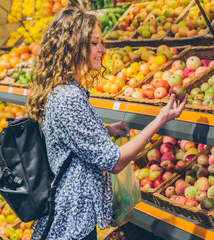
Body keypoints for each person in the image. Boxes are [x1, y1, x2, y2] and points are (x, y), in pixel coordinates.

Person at [25, 7, 187, 240]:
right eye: (94, 43)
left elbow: (70, 135)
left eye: (101, 42)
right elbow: (115, 162)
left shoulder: (64, 90)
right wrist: (159, 120)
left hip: (70, 215)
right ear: (73, 46)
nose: (102, 49)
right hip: (73, 224)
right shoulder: (68, 97)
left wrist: (104, 130)